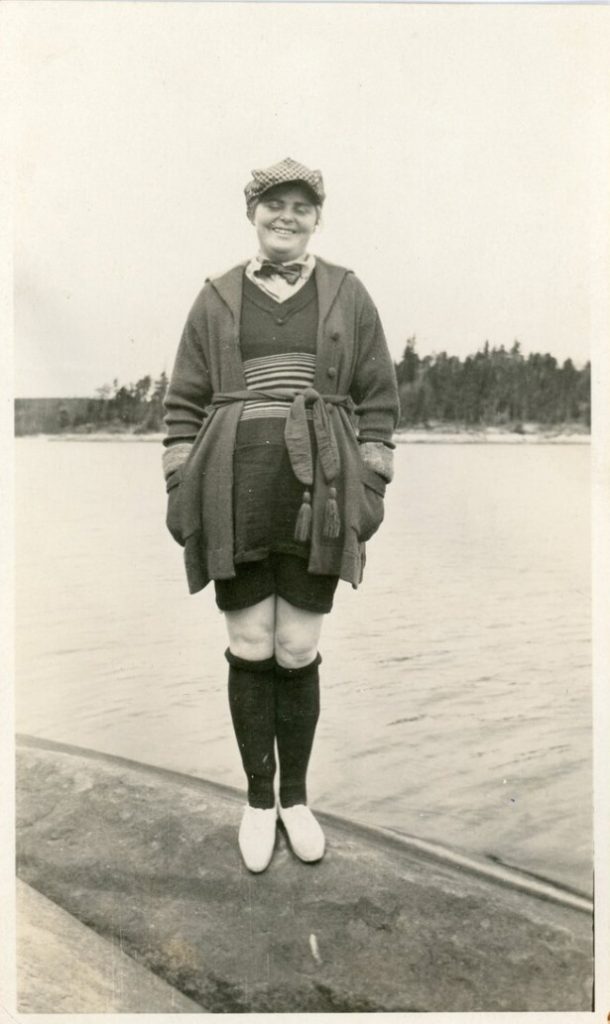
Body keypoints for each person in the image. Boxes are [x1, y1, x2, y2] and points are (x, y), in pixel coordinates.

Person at [162, 157, 399, 873]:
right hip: (233, 489)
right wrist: (182, 482)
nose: (285, 217)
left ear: (316, 218)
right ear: (253, 214)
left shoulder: (348, 294)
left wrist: (371, 482)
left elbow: (378, 400)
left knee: (296, 647)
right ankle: (258, 802)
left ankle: (297, 799)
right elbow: (182, 407)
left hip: (317, 492)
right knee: (249, 644)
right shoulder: (215, 297)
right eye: (273, 205)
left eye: (300, 206)